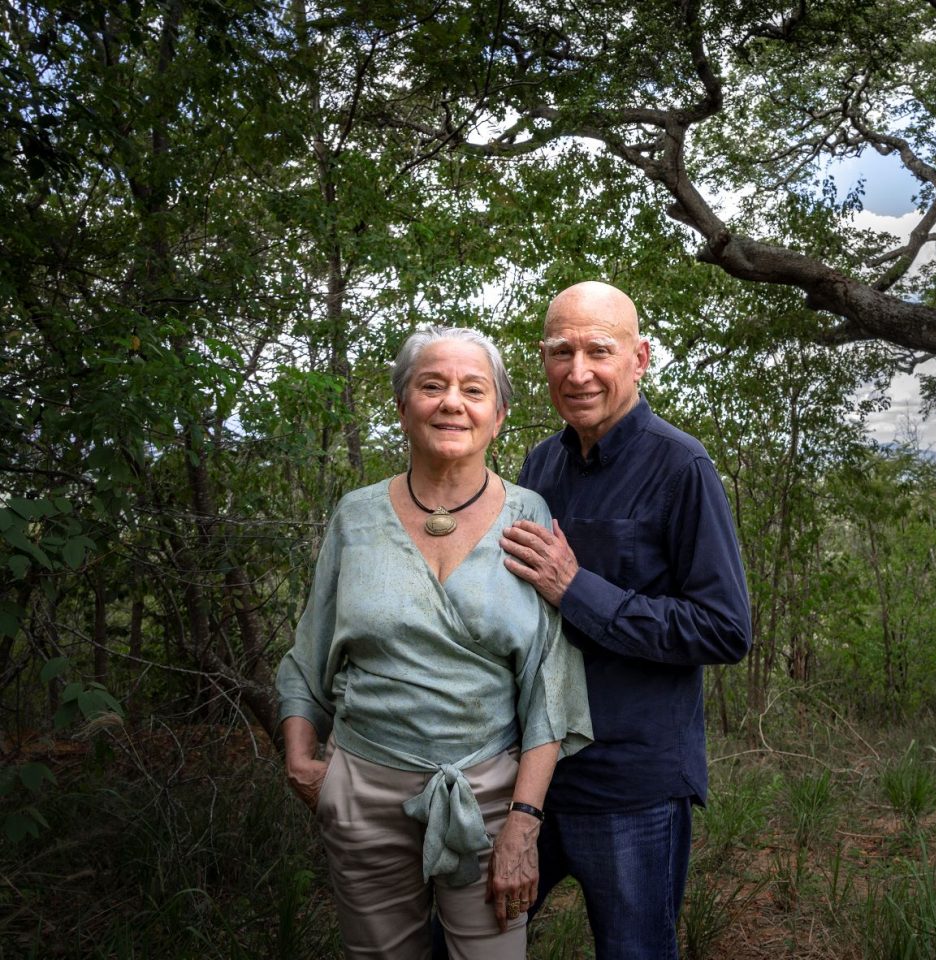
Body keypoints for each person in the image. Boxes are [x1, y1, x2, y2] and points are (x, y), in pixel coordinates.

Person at [275, 326, 592, 959]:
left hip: (489, 797)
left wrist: (523, 823)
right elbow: (308, 653)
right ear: (402, 406)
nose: (452, 402)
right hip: (362, 787)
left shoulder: (528, 515)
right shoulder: (356, 515)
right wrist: (303, 760)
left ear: (498, 416)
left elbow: (550, 685)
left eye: (474, 390)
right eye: (432, 385)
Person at [497, 280, 751, 959]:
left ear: (640, 358)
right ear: (542, 361)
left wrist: (578, 588)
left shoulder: (681, 466)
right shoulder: (539, 465)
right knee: (468, 939)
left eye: (599, 351)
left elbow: (725, 628)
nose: (578, 372)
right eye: (561, 351)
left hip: (631, 787)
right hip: (532, 777)